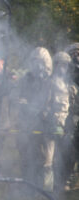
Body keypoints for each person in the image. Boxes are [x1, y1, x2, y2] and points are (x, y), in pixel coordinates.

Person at [16, 47, 55, 193]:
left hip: (46, 129)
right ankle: (28, 191)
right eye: (35, 61)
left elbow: (52, 106)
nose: (38, 66)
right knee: (27, 161)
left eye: (41, 62)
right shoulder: (25, 80)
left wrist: (35, 109)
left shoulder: (51, 82)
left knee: (46, 164)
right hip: (27, 127)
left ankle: (45, 194)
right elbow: (17, 100)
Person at [50, 52, 71, 193]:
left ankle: (64, 180)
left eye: (65, 65)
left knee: (66, 154)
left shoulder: (70, 82)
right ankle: (54, 184)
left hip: (68, 123)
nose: (62, 68)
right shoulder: (50, 82)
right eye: (59, 64)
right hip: (55, 124)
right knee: (55, 153)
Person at [64, 43, 79, 189]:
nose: (77, 57)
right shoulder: (64, 77)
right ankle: (68, 179)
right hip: (70, 117)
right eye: (73, 54)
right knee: (69, 147)